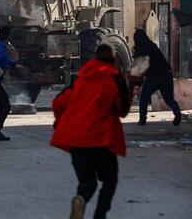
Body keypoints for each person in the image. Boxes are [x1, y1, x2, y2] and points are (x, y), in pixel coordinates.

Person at [50, 44, 136, 219]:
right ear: (114, 60)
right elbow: (123, 111)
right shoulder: (115, 79)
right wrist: (131, 86)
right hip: (100, 140)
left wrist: (60, 122)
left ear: (95, 59)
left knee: (87, 182)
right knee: (109, 180)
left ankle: (80, 199)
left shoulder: (80, 80)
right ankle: (100, 215)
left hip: (75, 140)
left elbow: (58, 103)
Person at [133, 29, 182, 126]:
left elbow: (139, 69)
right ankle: (177, 112)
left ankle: (142, 119)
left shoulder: (140, 49)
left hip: (153, 78)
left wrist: (137, 84)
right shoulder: (152, 45)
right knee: (169, 99)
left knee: (144, 98)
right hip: (166, 74)